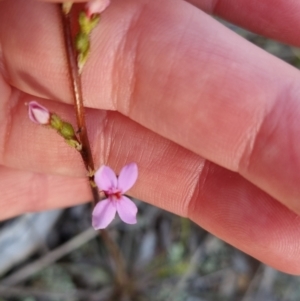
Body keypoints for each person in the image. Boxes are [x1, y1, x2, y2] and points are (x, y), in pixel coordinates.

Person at [1, 0, 300, 274]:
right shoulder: (112, 187)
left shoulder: (113, 191)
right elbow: (105, 176)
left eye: (115, 194)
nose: (117, 195)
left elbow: (107, 180)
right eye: (116, 194)